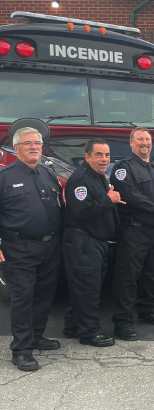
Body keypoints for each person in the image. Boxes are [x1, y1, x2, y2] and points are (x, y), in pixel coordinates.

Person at [0, 127, 63, 371]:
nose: (34, 147)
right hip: (19, 248)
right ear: (16, 148)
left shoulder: (48, 174)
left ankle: (37, 336)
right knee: (22, 298)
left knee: (44, 294)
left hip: (49, 246)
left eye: (37, 143)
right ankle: (21, 349)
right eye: (28, 143)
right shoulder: (4, 177)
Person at [111, 127, 154, 341]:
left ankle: (148, 312)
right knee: (128, 277)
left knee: (153, 273)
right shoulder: (123, 168)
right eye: (140, 139)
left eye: (148, 139)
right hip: (135, 231)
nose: (144, 143)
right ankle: (122, 322)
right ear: (131, 143)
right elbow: (130, 195)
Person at [61, 139, 120, 348]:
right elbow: (80, 210)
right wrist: (108, 199)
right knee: (88, 289)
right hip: (84, 242)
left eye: (107, 155)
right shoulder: (81, 178)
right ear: (87, 157)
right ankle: (90, 332)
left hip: (96, 241)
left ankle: (72, 326)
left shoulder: (97, 176)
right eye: (99, 155)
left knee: (82, 288)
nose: (104, 159)